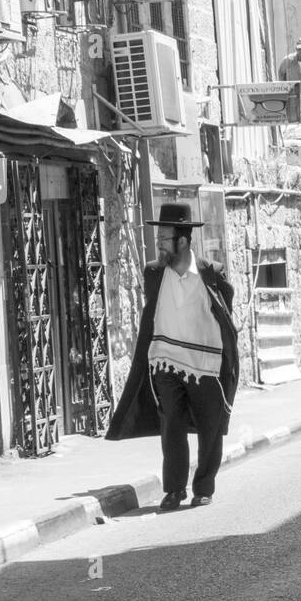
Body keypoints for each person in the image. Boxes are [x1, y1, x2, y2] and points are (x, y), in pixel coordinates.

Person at [106, 203, 239, 509]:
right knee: (172, 428)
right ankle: (174, 489)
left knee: (210, 428)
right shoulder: (154, 273)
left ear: (182, 240)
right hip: (164, 363)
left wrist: (228, 361)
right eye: (159, 238)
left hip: (205, 365)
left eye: (165, 239)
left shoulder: (210, 274)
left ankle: (203, 488)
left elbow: (226, 317)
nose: (160, 244)